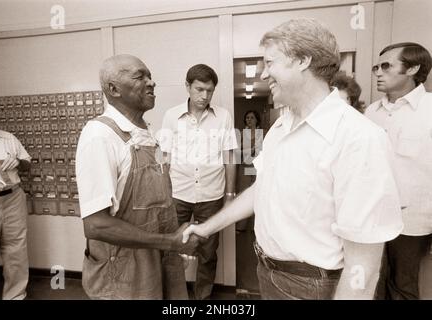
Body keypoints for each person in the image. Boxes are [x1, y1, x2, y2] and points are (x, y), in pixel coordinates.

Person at [182, 19, 404, 300]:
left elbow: (364, 266)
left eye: (270, 62)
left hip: (313, 287)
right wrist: (205, 228)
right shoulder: (281, 126)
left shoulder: (358, 138)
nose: (264, 74)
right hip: (269, 274)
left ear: (302, 60)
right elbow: (261, 188)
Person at [75, 54, 200, 300]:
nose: (151, 82)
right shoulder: (99, 136)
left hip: (160, 261)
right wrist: (169, 242)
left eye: (150, 76)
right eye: (139, 76)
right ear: (113, 89)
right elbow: (95, 225)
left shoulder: (146, 134)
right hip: (124, 272)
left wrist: (172, 244)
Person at [159, 64, 238, 300]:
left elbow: (230, 156)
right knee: (172, 249)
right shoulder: (171, 116)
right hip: (178, 195)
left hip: (212, 196)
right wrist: (165, 193)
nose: (204, 96)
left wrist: (230, 196)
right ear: (188, 87)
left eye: (210, 91)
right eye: (199, 89)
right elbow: (164, 158)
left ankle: (202, 298)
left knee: (208, 251)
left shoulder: (223, 116)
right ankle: (176, 298)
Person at [365, 42, 432, 300]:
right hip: (373, 217)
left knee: (403, 285)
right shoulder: (372, 112)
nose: (378, 73)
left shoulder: (429, 108)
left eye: (386, 66)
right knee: (371, 283)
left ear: (413, 68)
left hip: (414, 221)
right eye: (376, 67)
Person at [0, 96, 31, 300]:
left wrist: (18, 162)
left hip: (13, 198)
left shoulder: (8, 137)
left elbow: (27, 164)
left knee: (16, 249)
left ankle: (15, 296)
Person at [236, 110, 263, 232]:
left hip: (257, 168)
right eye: (247, 118)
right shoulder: (242, 134)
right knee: (244, 195)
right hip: (245, 168)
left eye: (252, 117)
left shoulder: (262, 133)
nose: (249, 120)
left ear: (257, 119)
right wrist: (250, 149)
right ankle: (241, 227)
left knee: (258, 196)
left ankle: (256, 228)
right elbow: (236, 152)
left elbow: (262, 151)